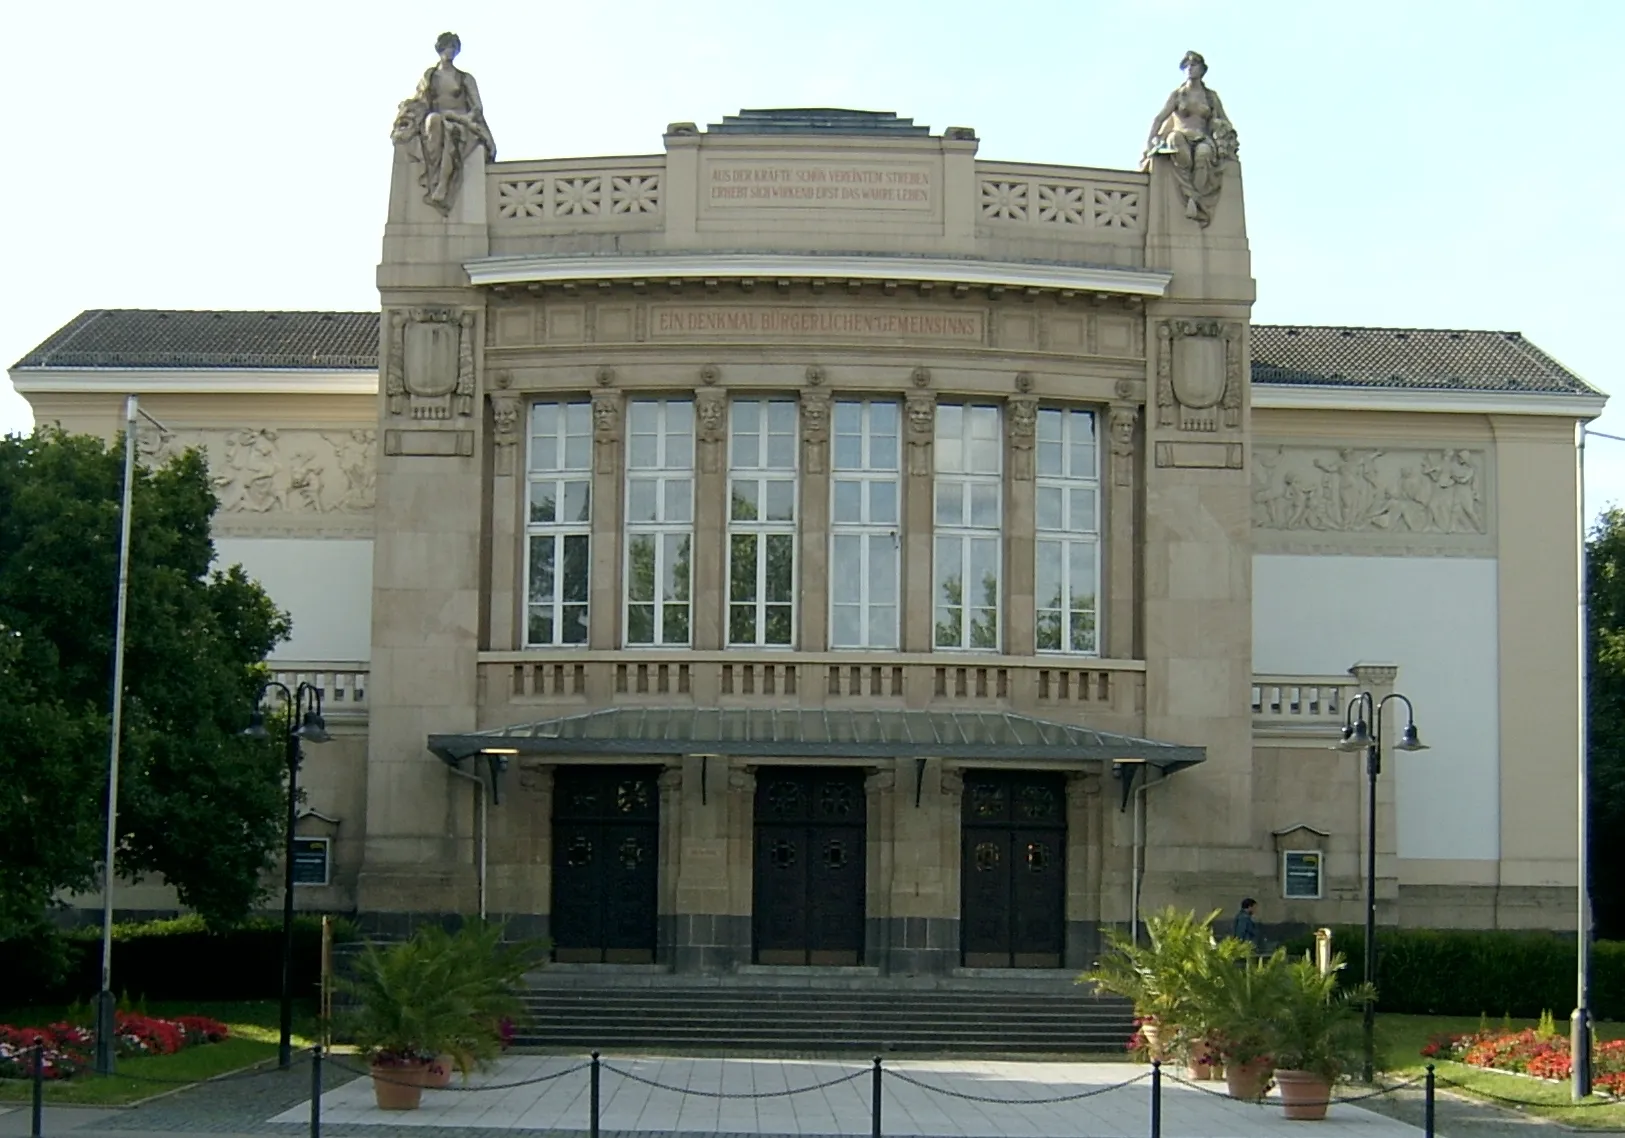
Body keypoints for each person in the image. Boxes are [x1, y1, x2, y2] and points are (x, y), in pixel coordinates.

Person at [391, 32, 498, 214]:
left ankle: (442, 184)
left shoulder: (464, 78)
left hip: (461, 123)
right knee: (434, 121)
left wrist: (460, 117)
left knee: (450, 133)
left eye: (453, 48)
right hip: (435, 120)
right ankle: (436, 180)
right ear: (440, 49)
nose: (450, 52)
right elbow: (421, 101)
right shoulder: (430, 76)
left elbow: (477, 109)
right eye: (447, 47)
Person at [1141, 51, 1240, 226]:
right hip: (1180, 136)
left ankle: (1195, 201)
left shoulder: (1210, 96)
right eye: (1186, 65)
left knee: (1204, 155)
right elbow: (1159, 118)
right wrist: (1150, 141)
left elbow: (1224, 121)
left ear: (1202, 70)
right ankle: (1191, 197)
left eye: (1194, 65)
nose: (1190, 68)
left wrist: (1225, 133)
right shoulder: (1178, 95)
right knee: (1177, 145)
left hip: (1202, 138)